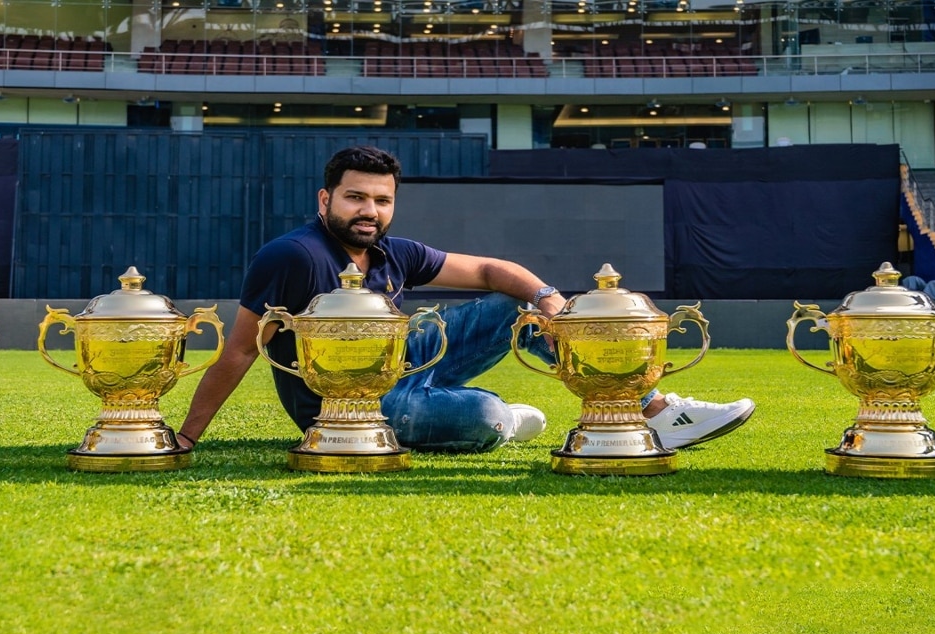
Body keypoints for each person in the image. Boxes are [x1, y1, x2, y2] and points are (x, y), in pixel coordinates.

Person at [177, 146, 754, 453]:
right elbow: (240, 352)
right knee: (480, 417)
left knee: (516, 303)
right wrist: (187, 436)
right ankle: (496, 418)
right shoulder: (293, 255)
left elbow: (488, 269)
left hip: (404, 364)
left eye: (381, 200)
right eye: (355, 198)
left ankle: (654, 411)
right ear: (326, 199)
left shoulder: (392, 252)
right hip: (341, 407)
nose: (369, 211)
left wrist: (550, 301)